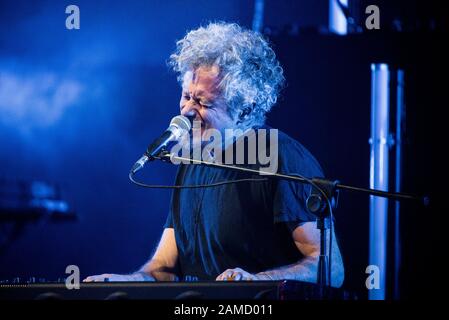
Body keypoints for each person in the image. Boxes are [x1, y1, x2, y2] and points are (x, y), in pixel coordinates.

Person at [84, 22, 344, 286]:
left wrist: (256, 280)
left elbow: (330, 269)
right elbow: (163, 268)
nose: (186, 109)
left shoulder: (281, 157)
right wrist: (126, 282)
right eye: (186, 96)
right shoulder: (191, 161)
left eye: (203, 102)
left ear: (243, 109)